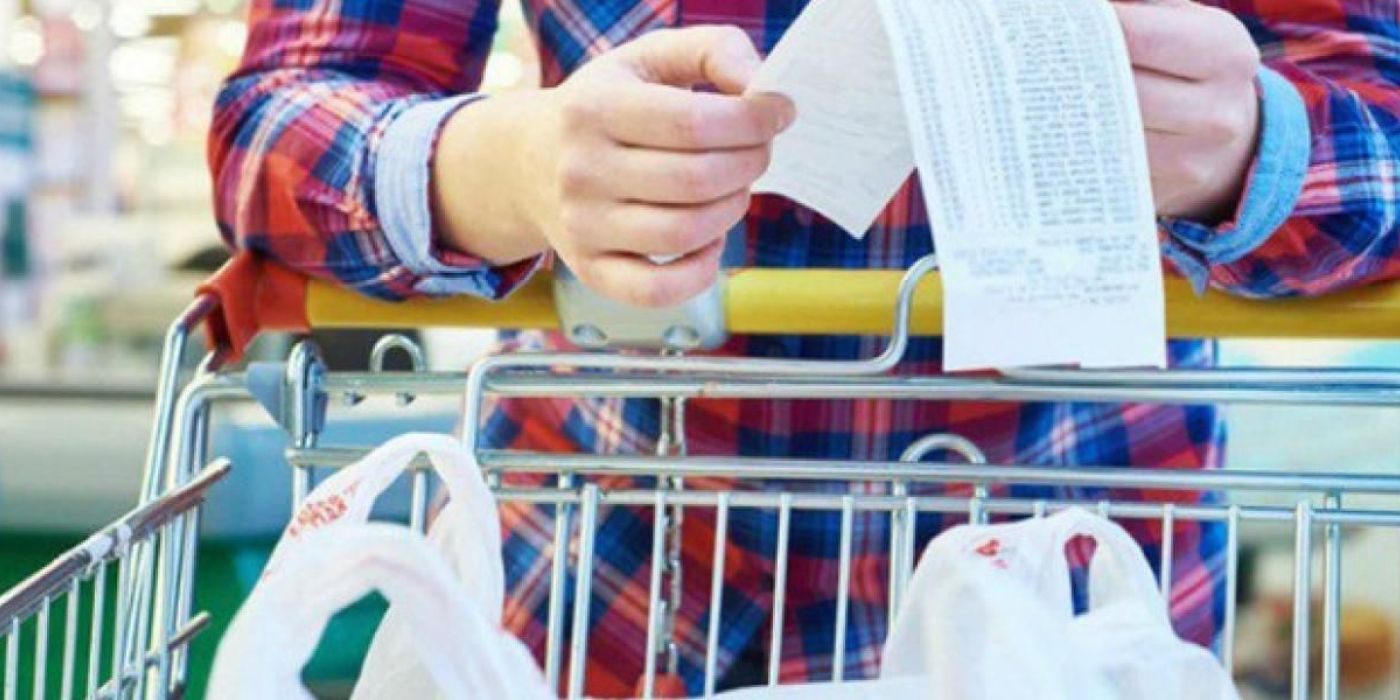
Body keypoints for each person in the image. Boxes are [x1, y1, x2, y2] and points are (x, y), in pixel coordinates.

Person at [210, 0, 1400, 693]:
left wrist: (1256, 147)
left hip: (1068, 596)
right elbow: (282, 116)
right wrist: (508, 164)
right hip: (605, 587)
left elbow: (1376, 110)